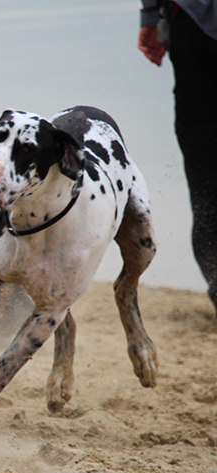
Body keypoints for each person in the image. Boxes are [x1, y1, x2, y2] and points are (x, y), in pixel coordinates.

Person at [138, 0, 217, 312]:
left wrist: (150, 16)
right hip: (191, 25)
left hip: (192, 23)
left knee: (207, 188)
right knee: (207, 186)